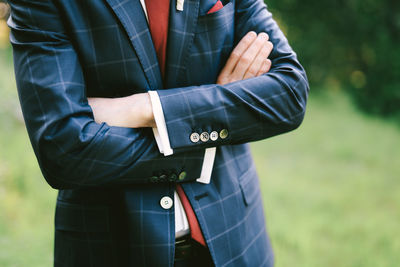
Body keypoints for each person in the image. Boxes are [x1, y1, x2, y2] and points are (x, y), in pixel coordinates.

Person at [7, 0, 309, 266]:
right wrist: (212, 121)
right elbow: (63, 151)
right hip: (111, 246)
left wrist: (146, 109)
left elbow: (290, 93)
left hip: (235, 239)